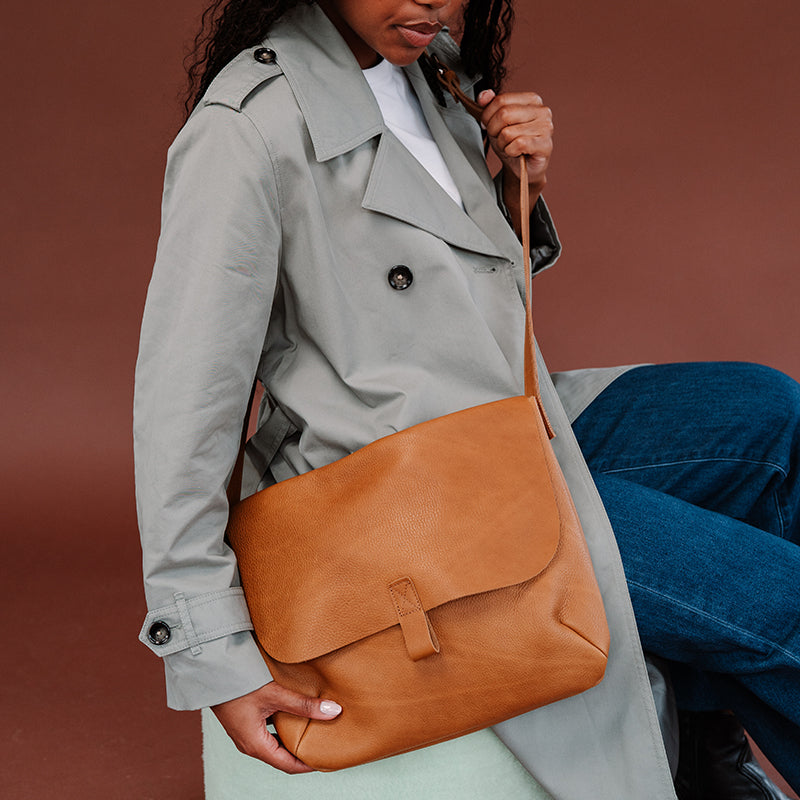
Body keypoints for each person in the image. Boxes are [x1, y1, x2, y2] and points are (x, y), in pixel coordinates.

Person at [133, 1, 800, 797]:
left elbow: (445, 301)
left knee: (765, 415)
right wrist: (210, 648)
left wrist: (515, 187)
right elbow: (184, 402)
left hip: (497, 424)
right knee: (772, 601)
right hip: (396, 484)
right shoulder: (247, 127)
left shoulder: (433, 76)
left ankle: (703, 758)